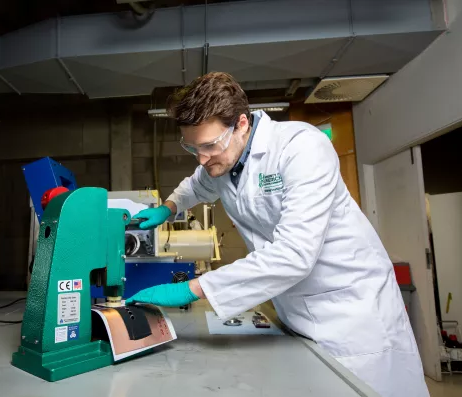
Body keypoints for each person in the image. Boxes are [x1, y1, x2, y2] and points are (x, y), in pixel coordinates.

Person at [126, 72, 429, 397]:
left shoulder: (301, 148)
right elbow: (195, 185)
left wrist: (192, 289)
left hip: (352, 313)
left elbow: (294, 255)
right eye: (191, 147)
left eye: (210, 145)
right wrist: (168, 208)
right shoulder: (222, 161)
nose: (202, 158)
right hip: (296, 310)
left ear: (241, 123)